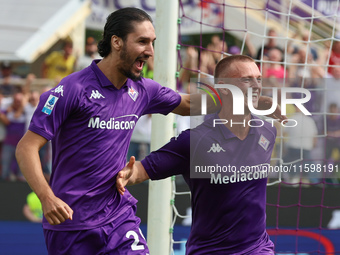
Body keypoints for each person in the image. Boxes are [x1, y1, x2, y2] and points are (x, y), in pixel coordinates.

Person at [16, 8, 284, 254]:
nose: (151, 50)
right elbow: (26, 147)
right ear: (117, 42)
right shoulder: (72, 90)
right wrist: (46, 197)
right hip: (71, 222)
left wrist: (246, 97)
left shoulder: (142, 90)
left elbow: (189, 103)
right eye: (142, 41)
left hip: (119, 217)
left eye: (153, 42)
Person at [117, 55, 277, 254]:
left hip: (258, 248)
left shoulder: (267, 132)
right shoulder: (195, 141)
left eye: (258, 79)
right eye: (247, 79)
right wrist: (126, 174)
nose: (256, 85)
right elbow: (141, 170)